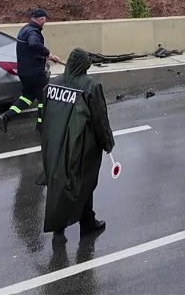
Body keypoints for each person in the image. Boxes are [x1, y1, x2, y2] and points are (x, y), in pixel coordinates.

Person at [40, 48, 115, 238]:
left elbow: (43, 114)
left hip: (54, 143)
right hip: (82, 145)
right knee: (84, 183)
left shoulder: (53, 84)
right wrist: (107, 142)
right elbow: (100, 119)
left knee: (57, 182)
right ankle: (87, 222)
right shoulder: (90, 87)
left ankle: (59, 224)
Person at [0, 8, 62, 133]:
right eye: (44, 20)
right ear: (41, 19)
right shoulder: (33, 32)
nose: (44, 23)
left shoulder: (24, 30)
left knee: (27, 97)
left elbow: (30, 49)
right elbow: (34, 44)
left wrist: (45, 56)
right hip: (35, 73)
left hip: (24, 72)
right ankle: (41, 125)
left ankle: (6, 116)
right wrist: (49, 54)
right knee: (44, 98)